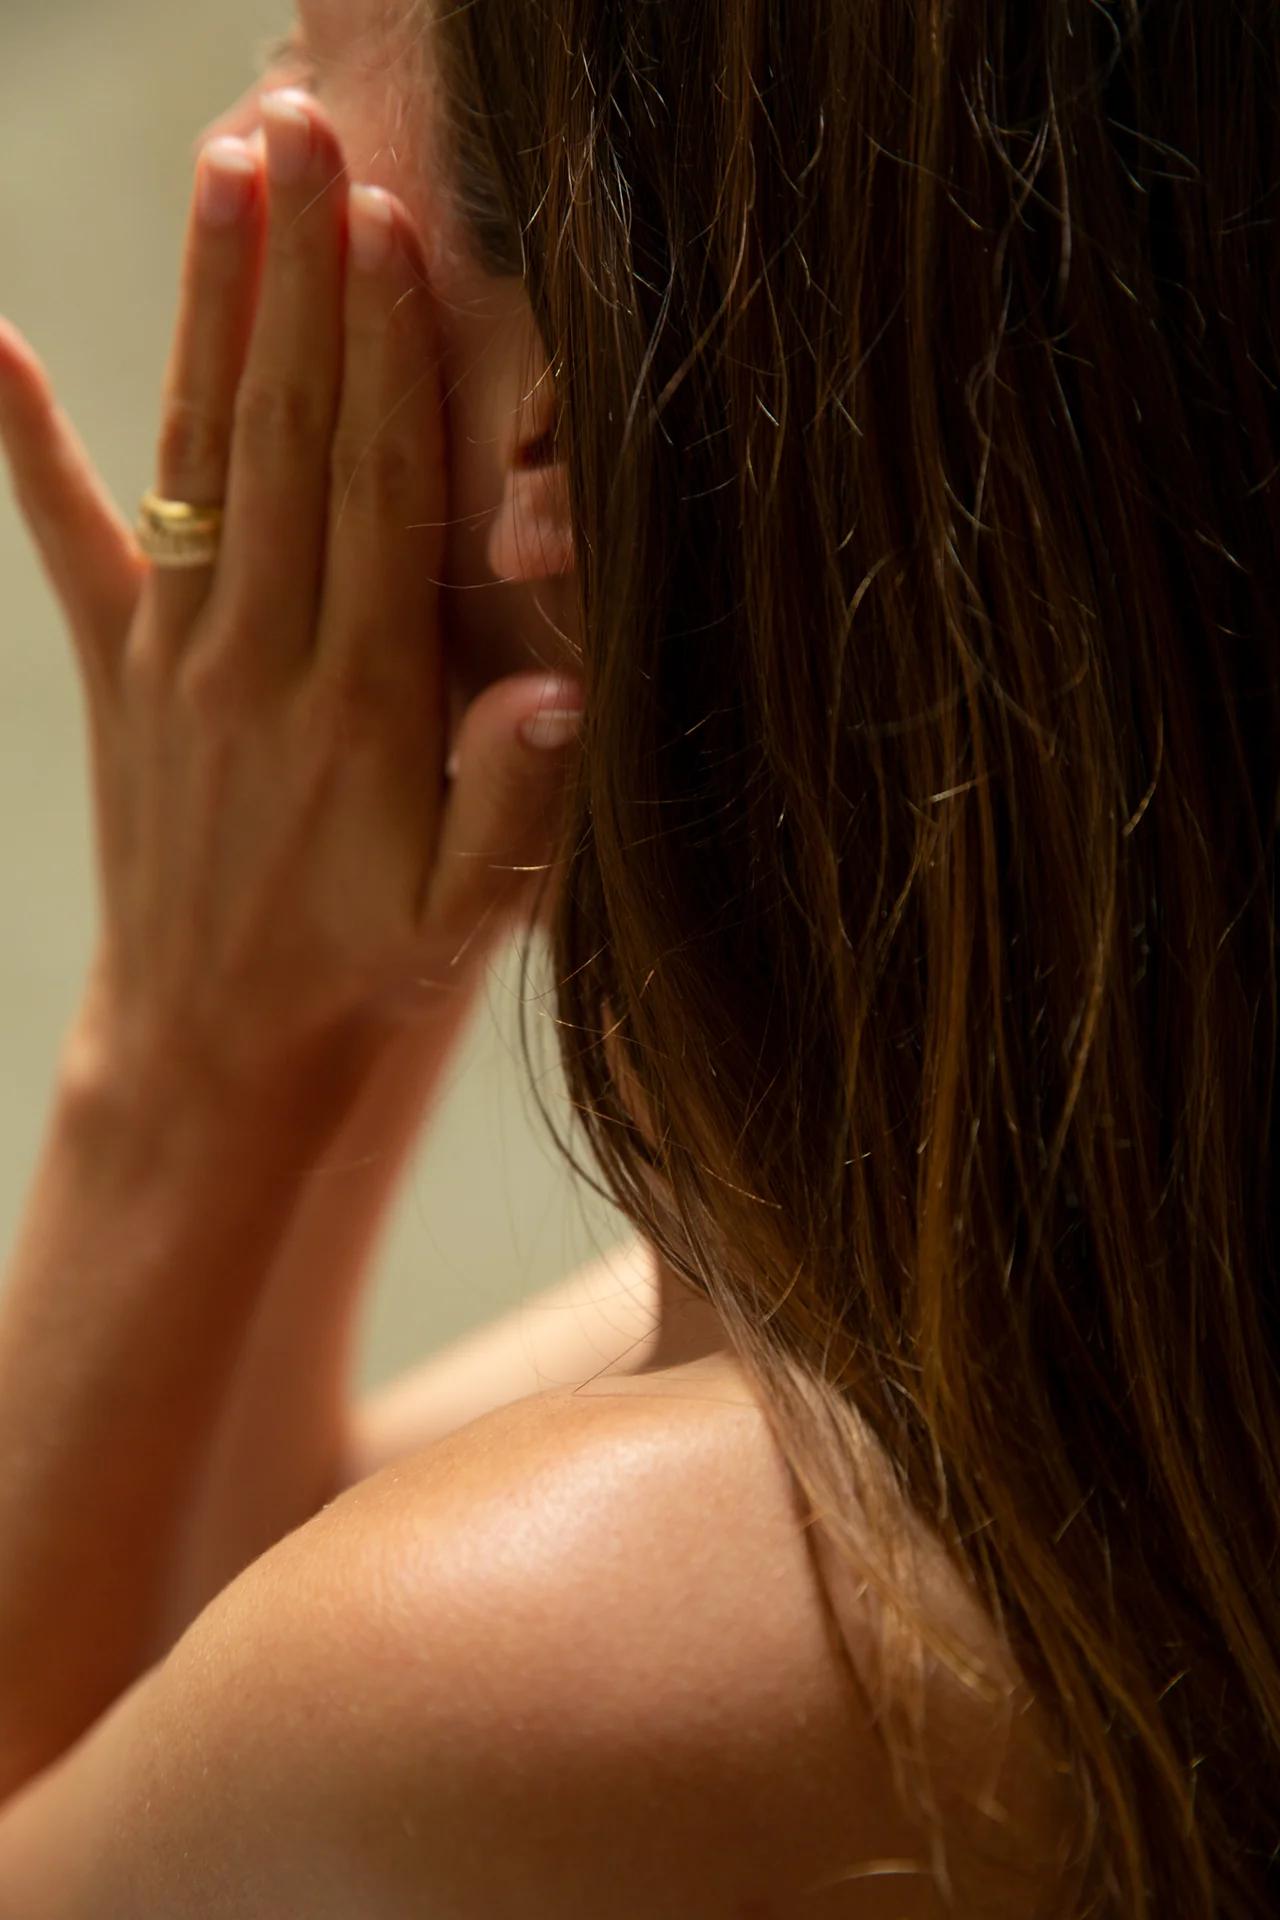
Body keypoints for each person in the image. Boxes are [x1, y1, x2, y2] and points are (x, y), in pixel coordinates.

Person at [0, 0, 1275, 1912]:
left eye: (305, 59)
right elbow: (216, 1631)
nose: (246, 131)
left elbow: (255, 1740)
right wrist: (326, 995)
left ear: (559, 417)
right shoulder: (1047, 1303)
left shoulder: (535, 1666)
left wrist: (177, 1065)